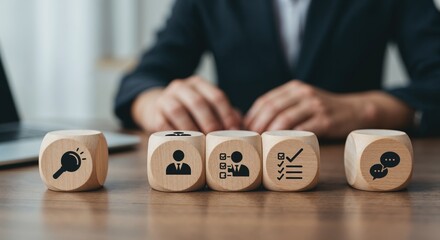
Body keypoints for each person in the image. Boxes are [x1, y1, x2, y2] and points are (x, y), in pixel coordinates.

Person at [115, 0, 440, 139]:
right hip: (237, 181)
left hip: (350, 176)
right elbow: (141, 80)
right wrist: (157, 105)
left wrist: (370, 111)